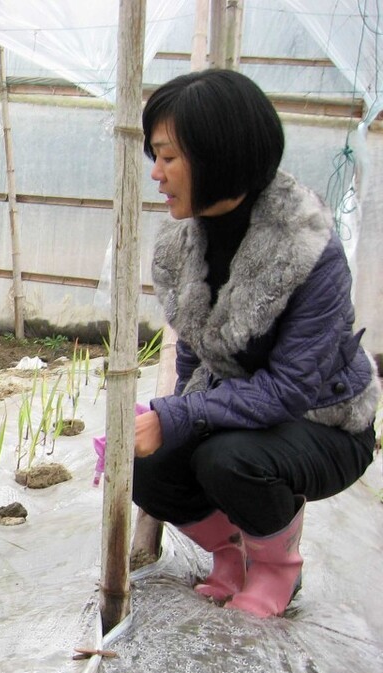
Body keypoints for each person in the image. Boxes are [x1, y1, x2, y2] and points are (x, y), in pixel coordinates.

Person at [132, 69, 378, 618]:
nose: (156, 174)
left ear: (218, 152)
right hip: (242, 413)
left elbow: (293, 387)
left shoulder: (306, 245)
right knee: (146, 466)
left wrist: (180, 416)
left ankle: (278, 567)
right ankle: (232, 550)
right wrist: (171, 420)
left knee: (228, 459)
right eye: (155, 156)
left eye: (168, 158)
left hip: (324, 421)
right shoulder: (183, 243)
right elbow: (197, 355)